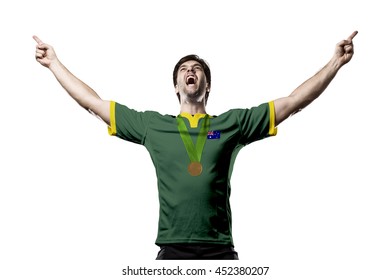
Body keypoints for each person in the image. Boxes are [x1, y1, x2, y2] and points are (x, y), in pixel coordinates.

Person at [33, 31, 358, 260]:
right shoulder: (152, 126)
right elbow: (92, 103)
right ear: (176, 86)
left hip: (220, 249)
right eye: (184, 70)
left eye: (197, 69)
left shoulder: (233, 124)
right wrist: (54, 64)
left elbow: (292, 103)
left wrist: (335, 63)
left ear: (207, 86)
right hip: (173, 249)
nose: (191, 71)